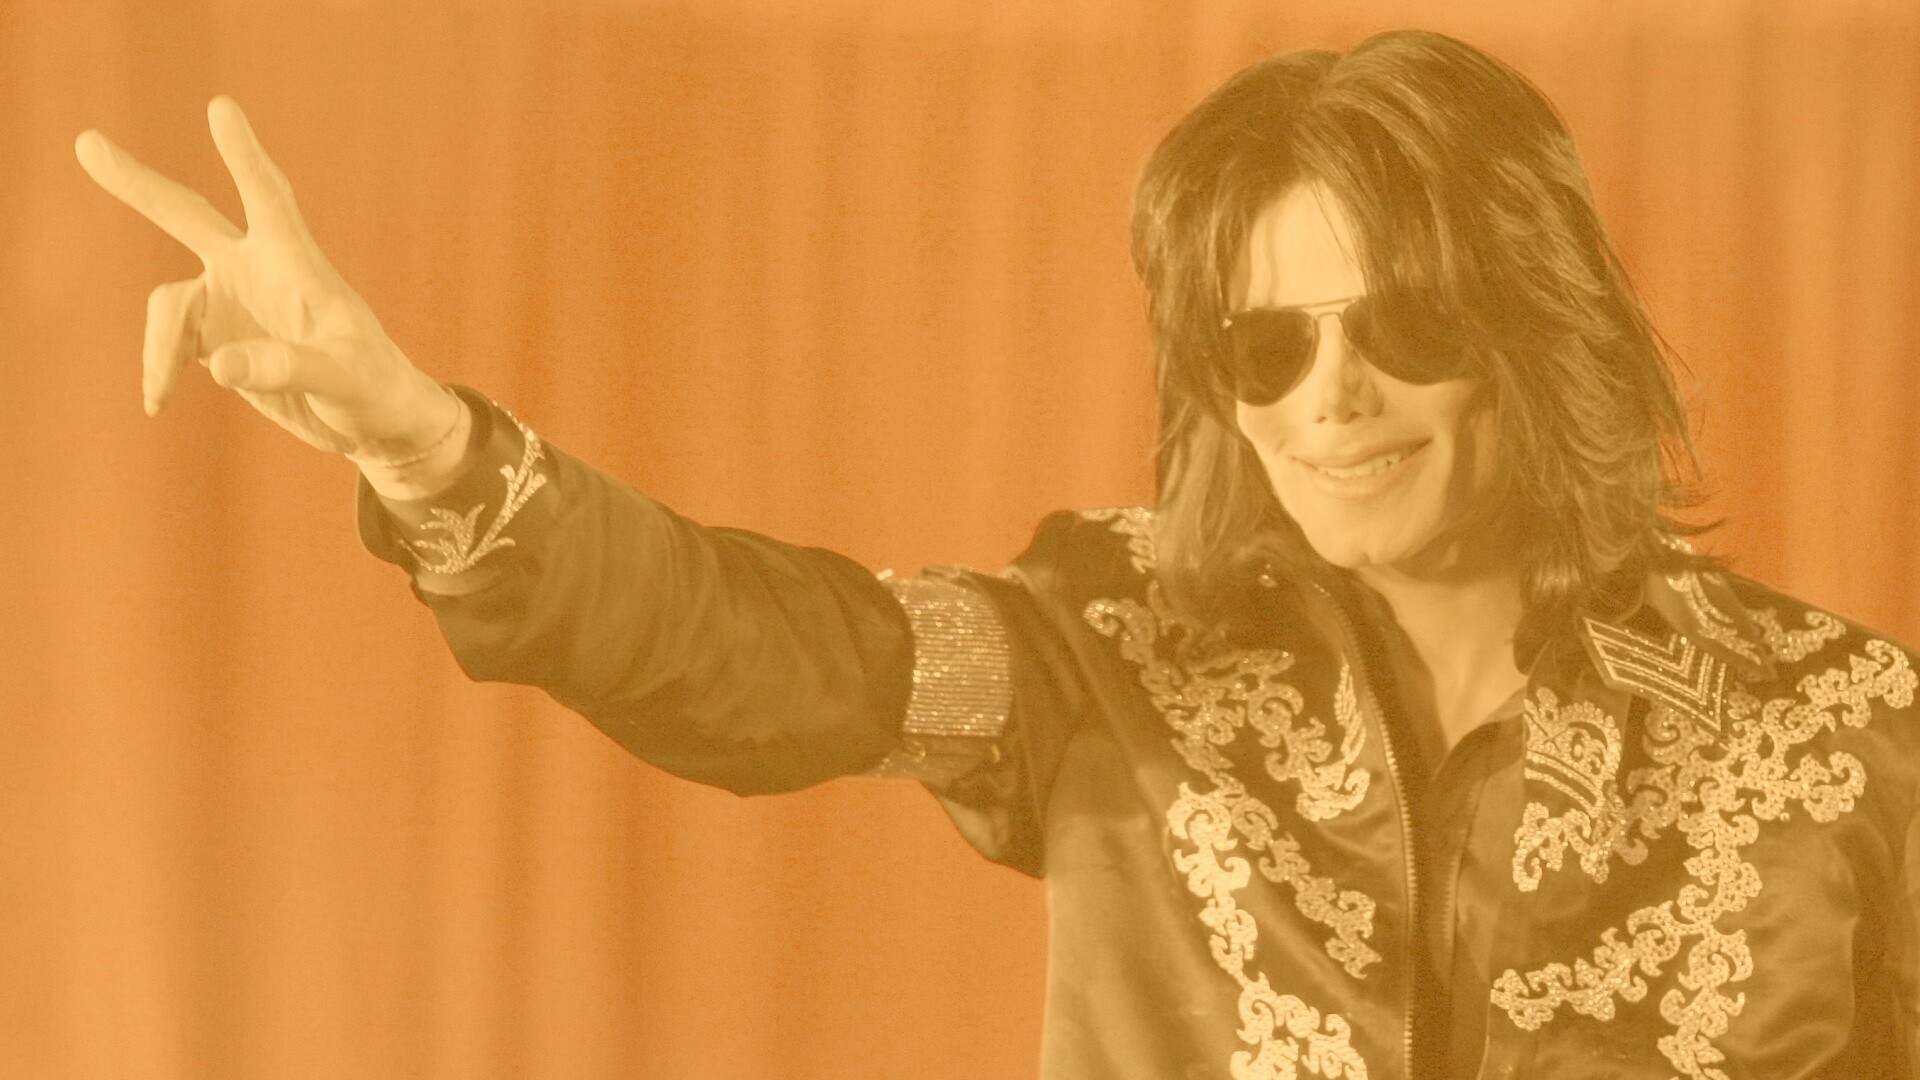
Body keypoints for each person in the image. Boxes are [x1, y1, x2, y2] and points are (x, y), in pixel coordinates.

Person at [75, 28, 1920, 1080]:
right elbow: (767, 650)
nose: (1335, 399)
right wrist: (423, 442)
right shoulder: (1108, 652)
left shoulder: (1846, 730)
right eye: (1265, 348)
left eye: (1409, 324)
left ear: (1536, 329)